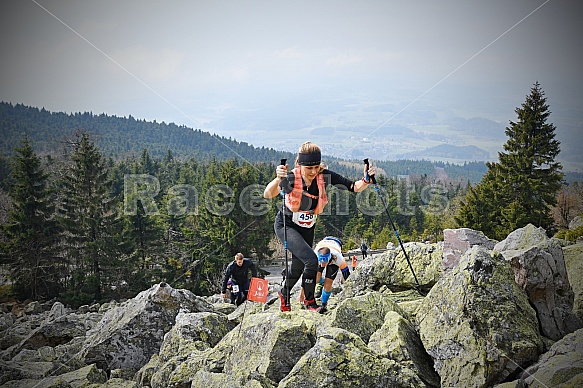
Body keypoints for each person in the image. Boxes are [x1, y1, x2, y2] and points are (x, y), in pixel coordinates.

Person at [263, 141, 375, 312]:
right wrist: (279, 178)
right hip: (287, 226)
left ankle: (284, 293)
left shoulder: (324, 176)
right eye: (309, 168)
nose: (314, 172)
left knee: (298, 267)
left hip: (307, 227)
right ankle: (310, 303)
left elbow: (354, 187)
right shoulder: (291, 177)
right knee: (312, 261)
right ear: (299, 165)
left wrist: (366, 179)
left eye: (316, 167)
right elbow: (268, 194)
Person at [313, 236, 350, 313]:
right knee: (315, 279)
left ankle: (324, 304)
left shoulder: (338, 258)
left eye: (325, 263)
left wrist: (349, 287)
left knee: (328, 283)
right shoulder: (314, 255)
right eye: (321, 263)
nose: (323, 265)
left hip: (336, 244)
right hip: (324, 242)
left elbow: (346, 274)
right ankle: (321, 283)